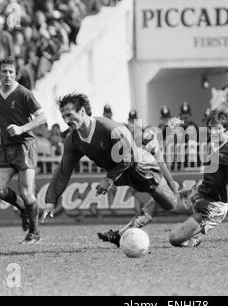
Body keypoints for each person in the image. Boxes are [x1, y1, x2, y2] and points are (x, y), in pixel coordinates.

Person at [40, 93, 180, 246]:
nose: (66, 121)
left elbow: (129, 157)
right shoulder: (73, 140)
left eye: (69, 115)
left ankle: (203, 206)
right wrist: (51, 201)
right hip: (121, 174)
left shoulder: (107, 128)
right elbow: (63, 172)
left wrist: (109, 179)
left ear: (81, 112)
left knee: (171, 204)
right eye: (63, 116)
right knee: (161, 200)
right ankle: (122, 233)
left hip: (141, 167)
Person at [168, 108, 228, 247]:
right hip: (198, 196)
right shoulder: (211, 145)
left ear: (226, 129)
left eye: (217, 128)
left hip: (214, 206)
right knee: (161, 200)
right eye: (210, 128)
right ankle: (129, 230)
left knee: (174, 239)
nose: (213, 132)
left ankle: (196, 235)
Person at [0, 57, 46, 244]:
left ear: (16, 74)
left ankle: (34, 233)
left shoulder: (24, 94)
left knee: (27, 193)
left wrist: (21, 128)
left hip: (24, 146)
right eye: (4, 71)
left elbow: (42, 117)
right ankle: (23, 209)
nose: (7, 75)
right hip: (5, 147)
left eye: (11, 72)